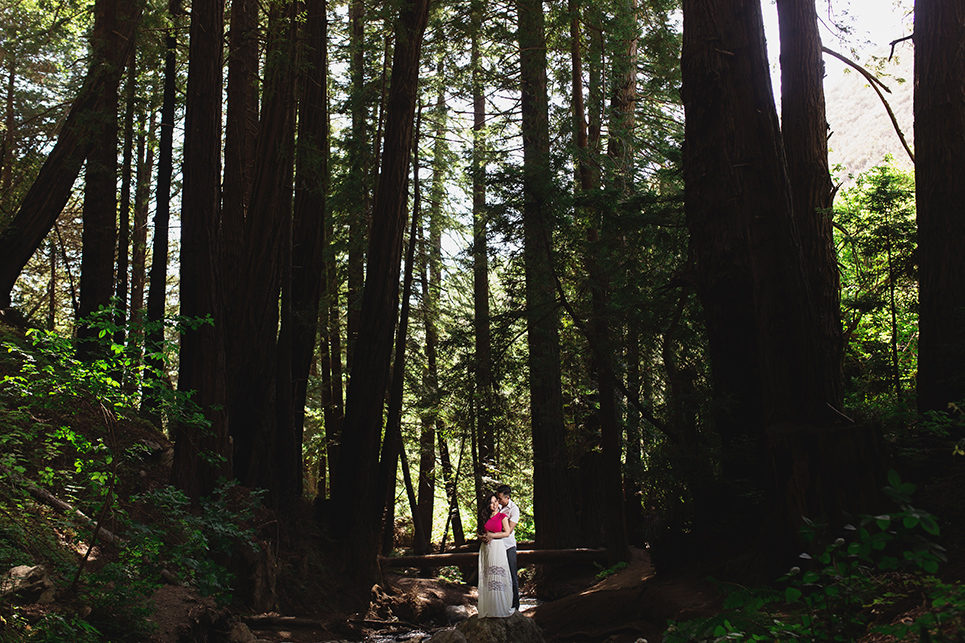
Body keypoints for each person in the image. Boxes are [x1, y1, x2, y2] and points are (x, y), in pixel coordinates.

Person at [481, 484, 520, 611]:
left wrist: (491, 534)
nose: (497, 501)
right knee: (497, 576)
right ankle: (499, 604)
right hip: (495, 548)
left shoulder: (513, 510)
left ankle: (514, 605)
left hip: (508, 546)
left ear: (507, 497)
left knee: (511, 575)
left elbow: (507, 530)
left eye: (499, 498)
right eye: (496, 499)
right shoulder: (497, 508)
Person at [477, 494, 513, 617]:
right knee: (488, 576)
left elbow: (507, 532)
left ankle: (499, 606)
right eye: (491, 503)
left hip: (497, 547)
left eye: (496, 501)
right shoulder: (485, 517)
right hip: (486, 548)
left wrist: (492, 536)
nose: (494, 505)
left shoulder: (502, 516)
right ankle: (489, 607)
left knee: (496, 575)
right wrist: (482, 537)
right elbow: (479, 532)